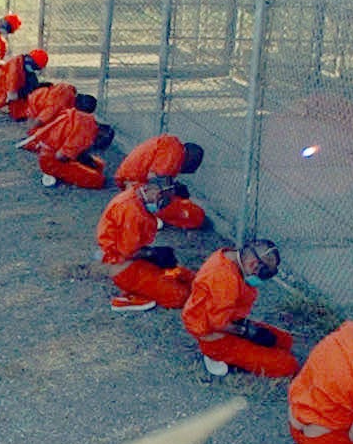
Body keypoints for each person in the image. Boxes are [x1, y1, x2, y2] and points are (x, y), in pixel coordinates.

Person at [182, 240, 298, 378]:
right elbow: (217, 323)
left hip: (228, 319)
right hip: (214, 335)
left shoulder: (228, 257)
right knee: (289, 365)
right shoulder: (225, 281)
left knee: (285, 340)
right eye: (261, 273)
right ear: (253, 264)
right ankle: (216, 354)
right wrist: (246, 332)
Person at [98, 179, 195, 312]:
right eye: (160, 196)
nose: (161, 202)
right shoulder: (132, 211)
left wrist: (152, 254)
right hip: (124, 267)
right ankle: (131, 298)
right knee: (180, 295)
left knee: (186, 276)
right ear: (149, 189)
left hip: (131, 258)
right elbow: (127, 252)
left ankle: (145, 290)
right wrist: (152, 253)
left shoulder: (136, 196)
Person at [114, 135, 208, 229]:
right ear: (190, 159)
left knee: (181, 205)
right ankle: (143, 216)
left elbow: (157, 179)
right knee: (196, 215)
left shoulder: (172, 146)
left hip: (132, 183)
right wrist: (173, 192)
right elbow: (155, 190)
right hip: (135, 188)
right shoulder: (175, 153)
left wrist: (173, 190)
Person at [24, 95, 115, 190]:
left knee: (99, 165)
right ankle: (55, 173)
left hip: (49, 151)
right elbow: (61, 156)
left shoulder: (73, 113)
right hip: (52, 160)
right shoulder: (85, 128)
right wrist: (79, 160)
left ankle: (62, 172)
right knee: (98, 180)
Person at [0, 49, 48, 120]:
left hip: (15, 93)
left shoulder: (22, 62)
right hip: (7, 100)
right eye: (36, 68)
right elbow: (11, 96)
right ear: (31, 62)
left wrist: (38, 87)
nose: (35, 70)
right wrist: (29, 91)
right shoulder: (14, 71)